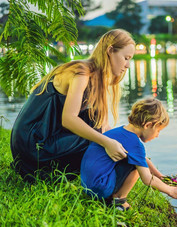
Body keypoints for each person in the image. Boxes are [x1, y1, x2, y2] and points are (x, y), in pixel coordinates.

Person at [10, 29, 135, 182]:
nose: (128, 65)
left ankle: (96, 177)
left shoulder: (97, 79)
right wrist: (107, 142)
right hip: (32, 145)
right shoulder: (81, 72)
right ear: (110, 51)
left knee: (95, 120)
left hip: (49, 137)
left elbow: (105, 127)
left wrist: (133, 150)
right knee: (97, 134)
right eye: (126, 58)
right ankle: (100, 183)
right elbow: (68, 120)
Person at [80, 98, 177, 210]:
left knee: (136, 159)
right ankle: (118, 200)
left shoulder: (120, 132)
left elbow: (142, 158)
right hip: (99, 188)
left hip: (88, 186)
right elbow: (146, 178)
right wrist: (170, 190)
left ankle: (113, 196)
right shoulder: (135, 144)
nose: (157, 135)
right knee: (136, 166)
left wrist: (159, 176)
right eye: (158, 130)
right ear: (147, 125)